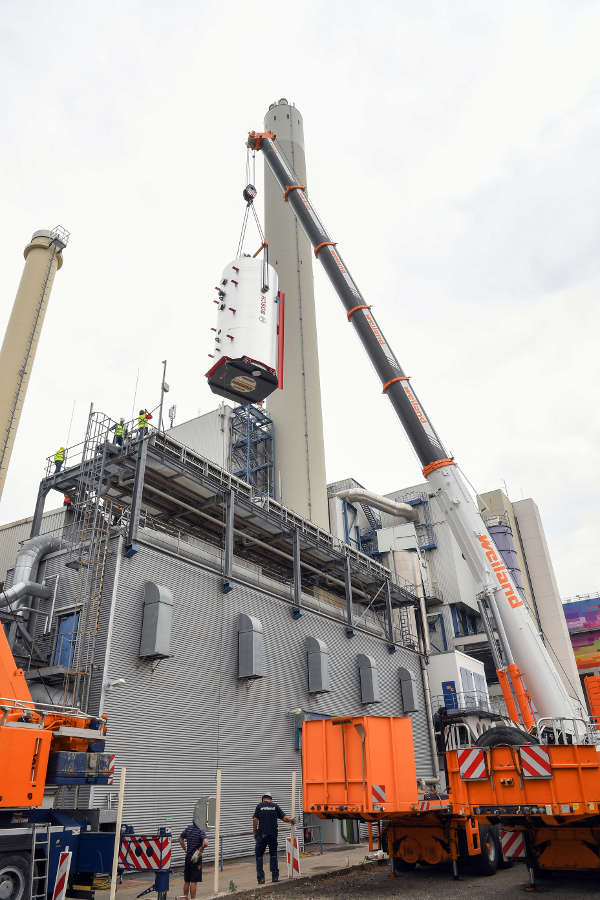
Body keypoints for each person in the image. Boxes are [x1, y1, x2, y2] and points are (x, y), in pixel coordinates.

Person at [253, 791, 295, 884]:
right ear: (270, 799)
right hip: (273, 835)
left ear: (263, 798)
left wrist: (255, 831)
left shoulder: (259, 806)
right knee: (273, 855)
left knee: (259, 856)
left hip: (262, 835)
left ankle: (261, 879)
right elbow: (284, 818)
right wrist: (291, 820)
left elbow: (255, 819)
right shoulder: (275, 806)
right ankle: (275, 877)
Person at [178, 820, 208, 899]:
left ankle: (185, 898)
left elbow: (180, 838)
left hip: (188, 857)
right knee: (193, 881)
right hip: (196, 858)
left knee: (187, 880)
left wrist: (185, 849)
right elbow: (206, 843)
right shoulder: (200, 830)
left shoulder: (188, 829)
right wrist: (200, 849)